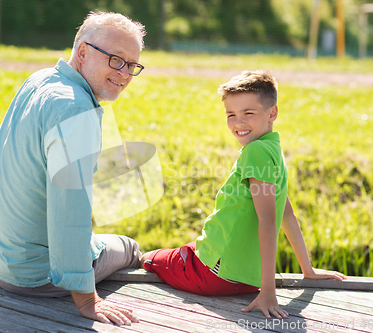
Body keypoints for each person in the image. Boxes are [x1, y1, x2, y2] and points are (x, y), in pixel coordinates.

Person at [0, 11, 147, 326]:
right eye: (117, 60)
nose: (125, 74)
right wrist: (86, 299)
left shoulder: (40, 79)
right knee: (129, 247)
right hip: (30, 276)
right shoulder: (75, 109)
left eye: (132, 65)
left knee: (96, 238)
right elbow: (71, 211)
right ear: (83, 52)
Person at [141, 71, 347, 319]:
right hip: (247, 279)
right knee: (192, 247)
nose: (238, 122)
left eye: (248, 113)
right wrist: (308, 270)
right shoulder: (272, 148)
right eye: (231, 115)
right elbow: (287, 214)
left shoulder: (255, 153)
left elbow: (269, 221)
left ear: (272, 113)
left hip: (214, 275)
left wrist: (269, 292)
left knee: (148, 258)